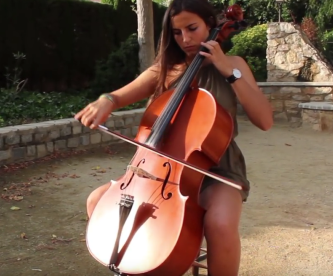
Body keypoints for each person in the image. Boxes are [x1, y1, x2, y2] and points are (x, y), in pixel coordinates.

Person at [74, 0, 273, 275]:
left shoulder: (235, 65)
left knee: (220, 223)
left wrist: (228, 70)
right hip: (162, 172)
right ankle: (135, 265)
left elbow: (264, 120)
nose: (185, 39)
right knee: (97, 201)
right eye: (177, 33)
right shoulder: (165, 70)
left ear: (210, 25)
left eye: (192, 28)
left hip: (219, 171)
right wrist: (106, 100)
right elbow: (119, 95)